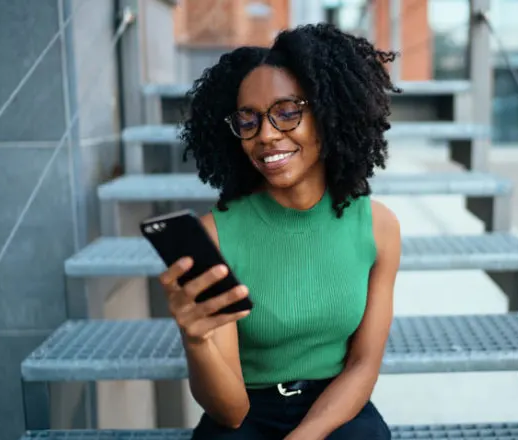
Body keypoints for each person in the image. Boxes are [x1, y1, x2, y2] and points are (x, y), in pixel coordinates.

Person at [158, 23, 402, 440]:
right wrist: (195, 341)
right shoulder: (216, 236)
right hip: (248, 410)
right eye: (248, 120)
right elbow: (230, 412)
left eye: (287, 112)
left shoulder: (378, 227)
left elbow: (363, 366)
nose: (267, 135)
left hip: (336, 404)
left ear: (327, 114)